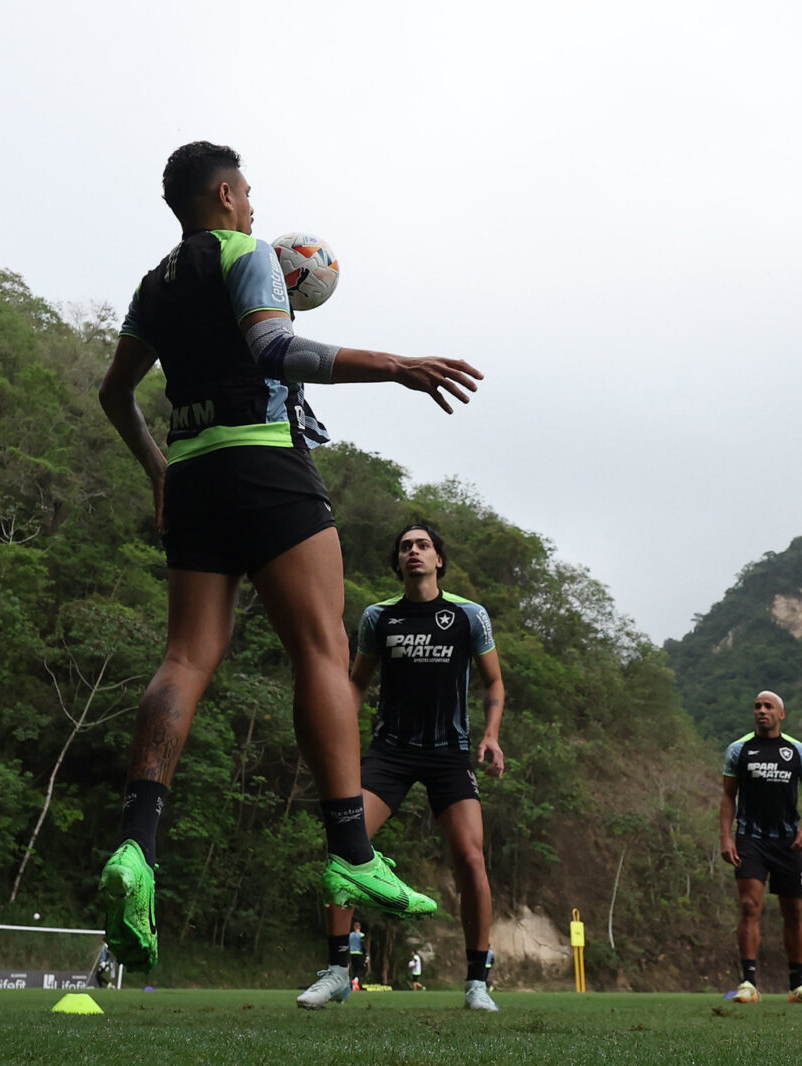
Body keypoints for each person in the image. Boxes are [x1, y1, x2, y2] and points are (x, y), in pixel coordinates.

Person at [96, 141, 481, 982]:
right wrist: (397, 366)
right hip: (266, 464)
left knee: (185, 656)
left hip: (193, 470)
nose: (256, 209)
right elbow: (276, 352)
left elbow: (115, 391)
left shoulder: (154, 281)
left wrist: (161, 468)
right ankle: (350, 846)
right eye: (251, 194)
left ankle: (136, 844)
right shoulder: (251, 257)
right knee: (321, 650)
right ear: (228, 193)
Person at [310, 524, 505, 1011]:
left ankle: (477, 981)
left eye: (422, 546)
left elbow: (494, 684)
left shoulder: (468, 615)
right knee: (345, 853)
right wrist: (334, 733)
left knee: (471, 859)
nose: (413, 552)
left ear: (439, 559)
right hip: (390, 753)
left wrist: (491, 736)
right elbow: (355, 685)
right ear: (397, 562)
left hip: (449, 755)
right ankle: (336, 972)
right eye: (405, 547)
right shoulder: (379, 617)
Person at [720, 691, 802, 1005]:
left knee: (794, 912)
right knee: (750, 907)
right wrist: (726, 837)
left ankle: (797, 987)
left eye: (768, 707)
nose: (761, 711)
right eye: (757, 707)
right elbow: (728, 797)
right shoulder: (739, 750)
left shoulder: (797, 750)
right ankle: (748, 983)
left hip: (788, 842)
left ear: (782, 714)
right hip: (750, 838)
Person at [348, 921, 366, 990]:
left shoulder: (350, 935)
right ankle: (356, 980)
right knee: (361, 969)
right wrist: (365, 953)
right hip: (359, 953)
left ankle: (353, 988)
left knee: (354, 970)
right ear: (359, 927)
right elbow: (362, 945)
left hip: (352, 953)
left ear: (353, 927)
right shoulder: (361, 935)